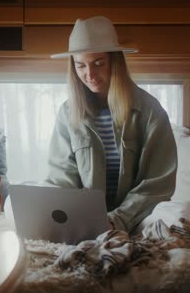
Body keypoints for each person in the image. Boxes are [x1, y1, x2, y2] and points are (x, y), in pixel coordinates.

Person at [45, 16, 177, 233]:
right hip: (83, 219)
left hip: (138, 218)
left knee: (178, 215)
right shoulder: (67, 113)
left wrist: (116, 220)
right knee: (14, 205)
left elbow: (157, 184)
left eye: (98, 64)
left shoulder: (151, 111)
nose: (90, 75)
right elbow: (62, 177)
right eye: (81, 66)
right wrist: (65, 215)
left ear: (115, 62)